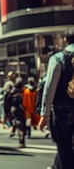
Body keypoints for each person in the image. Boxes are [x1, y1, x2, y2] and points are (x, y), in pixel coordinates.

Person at [38, 28, 74, 169]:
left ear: (65, 40)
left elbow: (49, 87)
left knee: (64, 148)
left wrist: (44, 114)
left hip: (62, 111)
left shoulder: (58, 58)